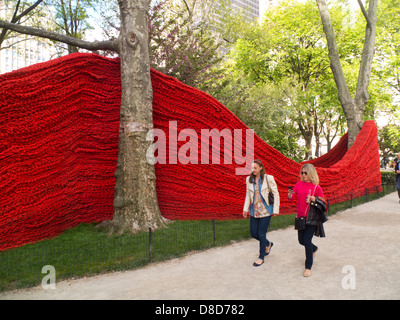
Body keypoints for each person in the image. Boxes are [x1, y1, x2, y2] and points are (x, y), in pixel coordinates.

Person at [288, 163, 324, 277]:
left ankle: (308, 266)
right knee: (301, 241)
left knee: (307, 241)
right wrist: (290, 195)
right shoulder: (298, 184)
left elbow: (323, 202)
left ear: (311, 173)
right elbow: (291, 199)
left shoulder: (316, 187)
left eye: (305, 173)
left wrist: (315, 198)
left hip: (312, 218)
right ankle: (314, 249)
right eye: (302, 173)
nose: (303, 175)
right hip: (300, 217)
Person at [243, 159, 280, 267]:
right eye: (252, 168)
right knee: (253, 233)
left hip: (266, 210)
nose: (253, 170)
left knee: (261, 233)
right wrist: (245, 209)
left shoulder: (268, 178)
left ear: (260, 168)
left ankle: (261, 257)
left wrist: (275, 209)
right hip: (254, 211)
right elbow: (247, 195)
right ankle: (268, 244)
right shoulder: (248, 179)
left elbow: (275, 194)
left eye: (255, 168)